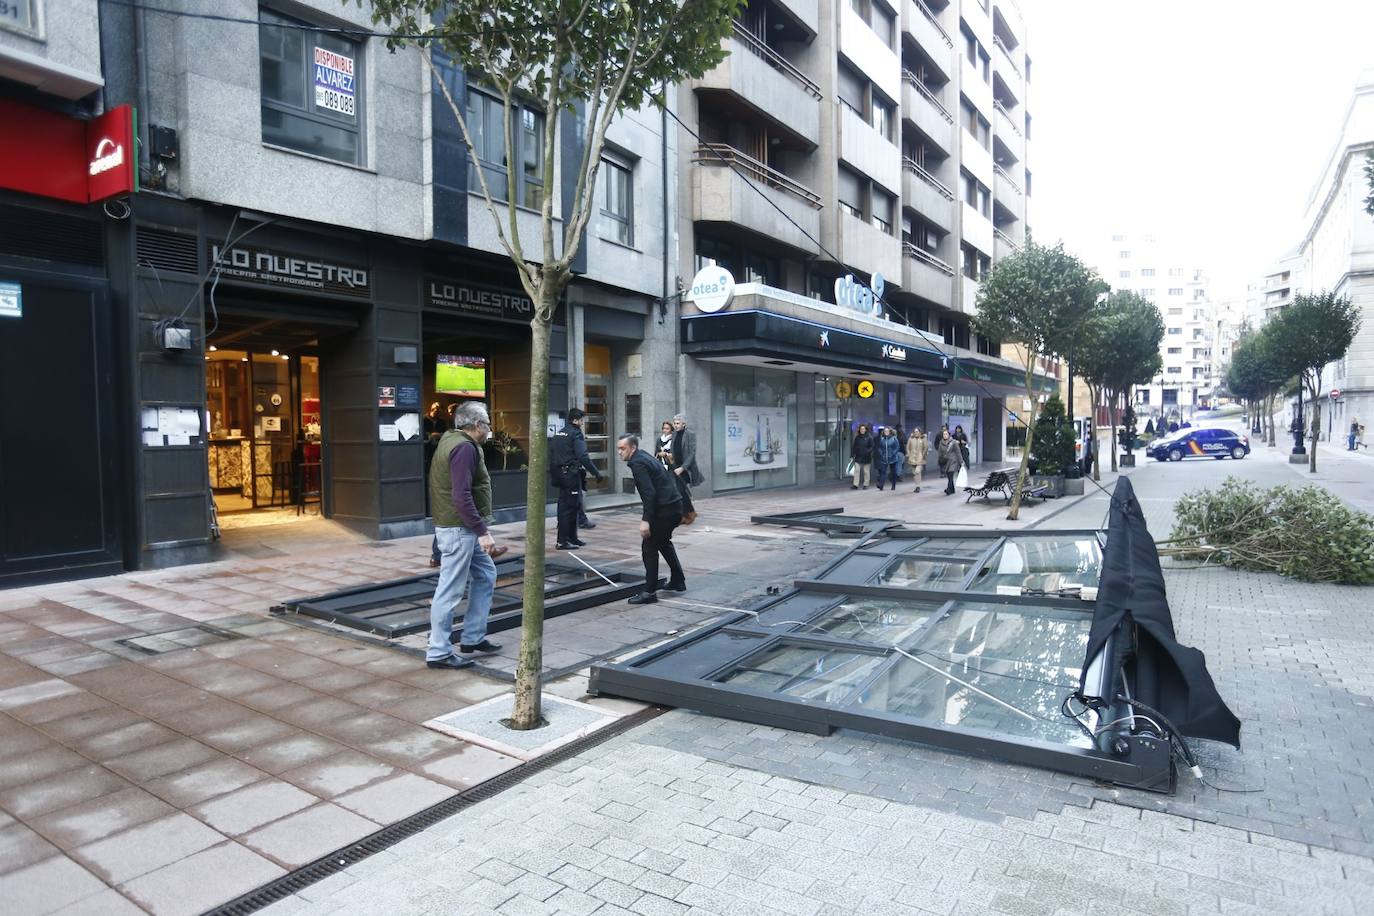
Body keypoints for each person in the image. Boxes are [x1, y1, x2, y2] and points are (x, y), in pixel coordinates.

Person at [426, 401, 501, 670]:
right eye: (488, 424)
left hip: (458, 528)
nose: (489, 430)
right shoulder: (464, 449)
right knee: (449, 591)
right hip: (461, 530)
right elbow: (460, 496)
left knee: (486, 574)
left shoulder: (450, 440)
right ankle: (438, 652)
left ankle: (472, 637)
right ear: (478, 425)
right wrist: (483, 532)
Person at [618, 433, 685, 604]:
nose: (620, 452)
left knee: (649, 546)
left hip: (666, 509)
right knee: (663, 542)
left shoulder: (637, 463)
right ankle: (678, 580)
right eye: (618, 449)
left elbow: (649, 494)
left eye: (622, 448)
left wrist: (645, 520)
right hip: (674, 505)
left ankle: (649, 592)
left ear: (632, 448)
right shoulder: (644, 456)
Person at [549, 408, 603, 550]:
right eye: (582, 420)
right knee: (570, 509)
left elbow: (552, 454)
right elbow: (583, 456)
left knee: (566, 507)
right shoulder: (575, 433)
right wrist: (596, 473)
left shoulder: (559, 433)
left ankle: (572, 538)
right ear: (576, 420)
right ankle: (563, 541)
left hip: (560, 475)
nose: (582, 423)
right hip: (571, 476)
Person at [670, 414, 703, 524]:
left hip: (686, 468)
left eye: (678, 423)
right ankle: (690, 512)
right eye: (674, 423)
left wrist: (683, 468)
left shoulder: (690, 434)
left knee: (680, 491)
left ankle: (686, 516)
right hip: (676, 467)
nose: (675, 425)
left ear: (684, 424)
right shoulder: (674, 434)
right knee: (681, 491)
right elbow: (674, 450)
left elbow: (692, 453)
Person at [875, 426, 902, 491]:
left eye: (887, 431)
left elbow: (897, 447)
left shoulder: (894, 439)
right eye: (885, 431)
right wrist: (881, 453)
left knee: (893, 472)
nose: (886, 432)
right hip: (884, 458)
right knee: (883, 472)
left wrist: (893, 453)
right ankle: (881, 485)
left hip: (892, 458)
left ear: (890, 432)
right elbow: (880, 447)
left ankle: (893, 485)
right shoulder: (882, 439)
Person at [938, 428, 964, 495]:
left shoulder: (953, 442)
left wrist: (961, 462)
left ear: (949, 435)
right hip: (946, 461)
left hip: (953, 461)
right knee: (949, 476)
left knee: (950, 474)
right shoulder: (941, 442)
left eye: (946, 434)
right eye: (944, 434)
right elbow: (940, 452)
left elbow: (958, 452)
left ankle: (948, 489)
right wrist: (940, 460)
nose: (945, 435)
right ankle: (952, 489)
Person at [850, 423, 875, 489]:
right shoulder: (857, 438)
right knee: (857, 471)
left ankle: (866, 484)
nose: (862, 430)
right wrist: (852, 454)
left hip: (866, 457)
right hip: (858, 456)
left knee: (866, 471)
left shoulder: (869, 438)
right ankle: (855, 484)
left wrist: (867, 451)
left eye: (863, 429)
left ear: (866, 430)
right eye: (861, 429)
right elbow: (854, 447)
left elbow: (872, 446)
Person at [906, 427, 929, 493]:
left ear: (920, 432)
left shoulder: (923, 438)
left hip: (920, 458)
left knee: (917, 471)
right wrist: (909, 454)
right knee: (914, 473)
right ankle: (917, 485)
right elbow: (908, 447)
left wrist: (923, 455)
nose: (916, 433)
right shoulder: (911, 439)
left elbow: (926, 447)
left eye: (917, 432)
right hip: (912, 458)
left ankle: (918, 486)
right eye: (915, 431)